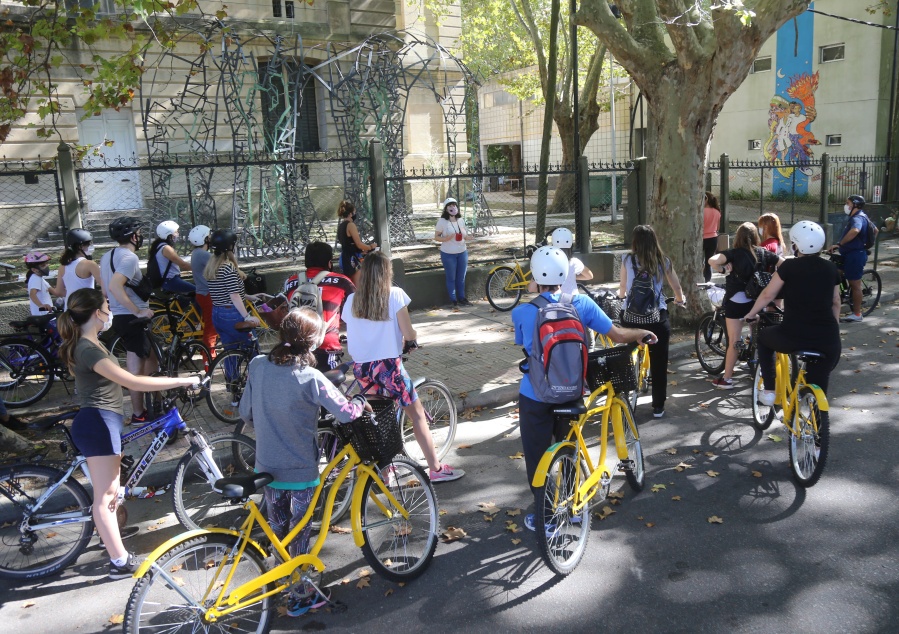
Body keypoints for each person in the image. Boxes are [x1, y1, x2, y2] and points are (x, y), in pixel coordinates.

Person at [58, 288, 200, 579]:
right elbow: (131, 381)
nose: (110, 309)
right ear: (97, 312)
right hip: (98, 422)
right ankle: (119, 562)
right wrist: (182, 380)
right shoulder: (87, 347)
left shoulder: (90, 343)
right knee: (106, 496)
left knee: (109, 494)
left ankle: (111, 539)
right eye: (107, 304)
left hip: (102, 421)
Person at [513, 246, 657, 532]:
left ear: (535, 276)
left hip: (535, 395)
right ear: (566, 273)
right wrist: (640, 334)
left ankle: (546, 512)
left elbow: (527, 348)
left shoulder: (522, 312)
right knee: (569, 445)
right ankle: (572, 504)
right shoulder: (582, 305)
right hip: (571, 391)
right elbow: (616, 334)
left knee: (537, 454)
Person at [239, 307, 367, 616]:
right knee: (299, 532)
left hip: (267, 465)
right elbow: (345, 413)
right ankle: (300, 594)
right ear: (312, 342)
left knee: (280, 529)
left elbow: (245, 414)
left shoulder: (258, 365)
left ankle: (285, 581)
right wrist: (362, 402)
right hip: (300, 470)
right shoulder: (310, 376)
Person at [341, 251, 464, 483]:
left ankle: (385, 471)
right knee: (417, 416)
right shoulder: (395, 295)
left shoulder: (352, 301)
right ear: (387, 273)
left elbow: (355, 332)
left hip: (361, 368)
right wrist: (412, 340)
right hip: (388, 366)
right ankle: (435, 468)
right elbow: (408, 332)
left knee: (379, 417)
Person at [744, 221, 841, 400]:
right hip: (828, 340)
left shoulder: (789, 267)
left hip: (793, 336)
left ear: (796, 245)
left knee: (764, 338)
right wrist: (833, 329)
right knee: (818, 387)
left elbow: (767, 295)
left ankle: (770, 390)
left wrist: (751, 314)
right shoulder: (831, 268)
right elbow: (836, 302)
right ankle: (817, 419)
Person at [617, 225, 685, 418]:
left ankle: (624, 400)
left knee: (626, 357)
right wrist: (680, 300)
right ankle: (658, 406)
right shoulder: (663, 261)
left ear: (635, 242)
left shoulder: (627, 260)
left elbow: (622, 287)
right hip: (657, 318)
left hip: (630, 318)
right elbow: (676, 287)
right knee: (659, 361)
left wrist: (621, 296)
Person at [707, 222, 783, 389]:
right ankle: (761, 373)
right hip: (758, 302)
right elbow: (784, 265)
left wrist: (722, 270)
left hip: (736, 301)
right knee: (759, 337)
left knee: (734, 340)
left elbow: (711, 260)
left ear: (738, 237)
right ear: (756, 236)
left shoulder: (733, 254)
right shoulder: (764, 253)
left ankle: (727, 379)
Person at [100, 217, 155, 424]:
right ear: (133, 236)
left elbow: (105, 289)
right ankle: (139, 413)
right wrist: (137, 311)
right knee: (136, 369)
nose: (140, 237)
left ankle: (152, 400)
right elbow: (115, 286)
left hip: (120, 316)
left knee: (152, 359)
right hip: (132, 318)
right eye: (139, 234)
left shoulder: (107, 257)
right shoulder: (129, 258)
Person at [282, 242, 355, 369]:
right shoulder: (341, 281)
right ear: (329, 262)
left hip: (295, 344)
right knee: (328, 386)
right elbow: (358, 308)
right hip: (325, 344)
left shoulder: (291, 282)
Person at [205, 228, 260, 355]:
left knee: (230, 351)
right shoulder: (228, 268)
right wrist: (247, 317)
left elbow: (224, 291)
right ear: (230, 246)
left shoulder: (212, 267)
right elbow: (233, 295)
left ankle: (232, 375)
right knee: (252, 348)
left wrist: (247, 296)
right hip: (231, 313)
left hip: (218, 313)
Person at [830, 194, 877, 323]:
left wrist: (840, 244)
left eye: (847, 203)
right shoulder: (862, 216)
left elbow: (855, 230)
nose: (846, 205)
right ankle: (839, 298)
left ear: (854, 205)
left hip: (855, 256)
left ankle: (857, 314)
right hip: (849, 254)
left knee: (855, 285)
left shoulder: (857, 218)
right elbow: (875, 230)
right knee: (835, 273)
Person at [527, 227, 593, 295]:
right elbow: (589, 276)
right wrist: (571, 276)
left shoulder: (547, 263)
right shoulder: (574, 262)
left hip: (553, 302)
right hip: (573, 300)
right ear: (571, 245)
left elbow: (531, 289)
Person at [434, 197, 470, 307]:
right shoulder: (442, 222)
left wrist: (469, 237)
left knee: (461, 277)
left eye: (454, 205)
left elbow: (464, 234)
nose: (453, 207)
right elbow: (436, 237)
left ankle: (462, 298)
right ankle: (453, 300)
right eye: (450, 206)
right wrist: (446, 239)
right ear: (446, 209)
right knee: (451, 277)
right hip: (448, 253)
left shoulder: (461, 220)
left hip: (462, 252)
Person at [188, 224, 217, 356]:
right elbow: (223, 266)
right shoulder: (204, 255)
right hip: (208, 294)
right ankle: (209, 356)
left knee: (209, 326)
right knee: (211, 329)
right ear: (205, 239)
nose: (211, 238)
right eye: (209, 236)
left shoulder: (196, 253)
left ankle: (207, 352)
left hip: (203, 293)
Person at [54, 228, 102, 309]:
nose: (91, 247)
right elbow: (104, 285)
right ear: (81, 246)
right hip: (86, 308)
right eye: (89, 244)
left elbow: (59, 292)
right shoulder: (90, 264)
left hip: (69, 308)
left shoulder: (63, 266)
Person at [336, 200, 377, 286]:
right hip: (351, 259)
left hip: (344, 257)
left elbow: (348, 244)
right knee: (358, 287)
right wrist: (370, 246)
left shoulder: (341, 226)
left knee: (350, 285)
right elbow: (358, 243)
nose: (355, 214)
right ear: (350, 214)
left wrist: (360, 251)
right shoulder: (350, 225)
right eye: (354, 212)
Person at [149, 220, 195, 295]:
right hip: (170, 281)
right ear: (169, 234)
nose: (178, 234)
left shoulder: (159, 246)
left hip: (168, 280)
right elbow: (183, 265)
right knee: (198, 292)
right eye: (176, 232)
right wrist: (200, 269)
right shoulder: (166, 248)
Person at [702, 192, 722, 282]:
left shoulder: (701, 211)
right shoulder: (717, 212)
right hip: (713, 239)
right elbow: (718, 227)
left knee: (698, 261)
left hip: (702, 239)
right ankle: (707, 280)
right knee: (708, 262)